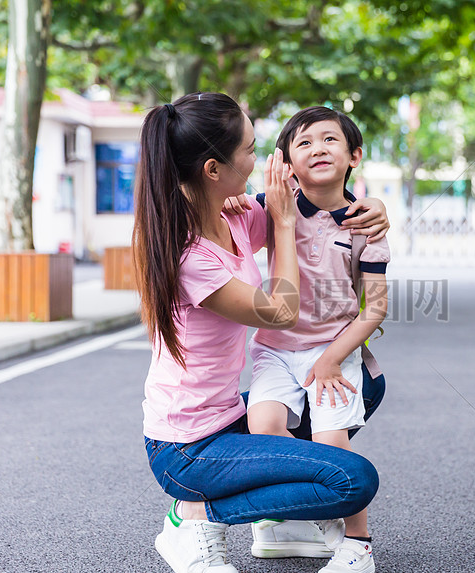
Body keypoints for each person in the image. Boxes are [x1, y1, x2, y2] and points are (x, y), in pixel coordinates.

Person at [133, 93, 388, 573]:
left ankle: (280, 524)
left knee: (363, 385)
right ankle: (191, 516)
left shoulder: (232, 217)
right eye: (252, 150)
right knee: (351, 481)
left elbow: (316, 206)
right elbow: (282, 312)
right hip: (187, 448)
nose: (262, 160)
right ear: (214, 169)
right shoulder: (191, 257)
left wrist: (371, 207)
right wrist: (286, 227)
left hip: (227, 415)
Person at [243, 106, 389, 573]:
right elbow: (222, 211)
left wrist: (330, 361)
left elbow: (377, 308)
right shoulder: (270, 206)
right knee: (263, 429)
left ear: (355, 156)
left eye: (329, 140)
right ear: (286, 161)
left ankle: (359, 543)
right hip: (275, 350)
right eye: (303, 143)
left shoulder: (366, 224)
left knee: (330, 444)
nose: (318, 149)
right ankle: (302, 519)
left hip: (335, 349)